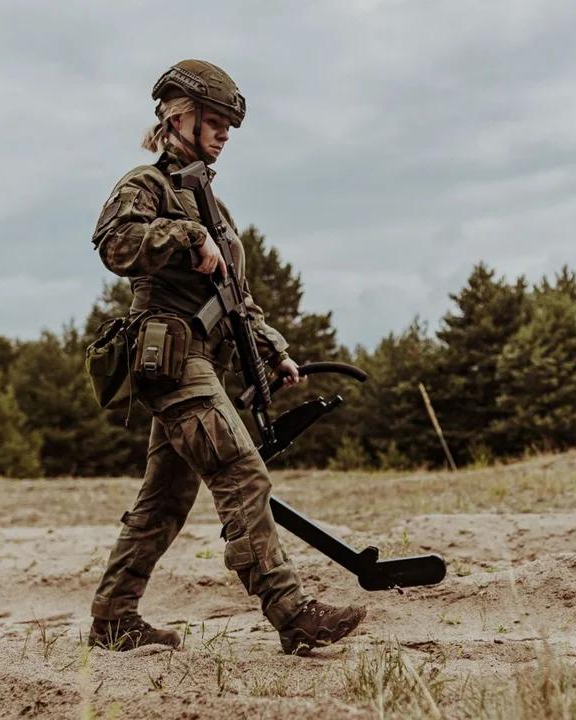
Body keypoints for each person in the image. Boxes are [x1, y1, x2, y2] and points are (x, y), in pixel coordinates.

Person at [87, 59, 365, 654]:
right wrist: (185, 237)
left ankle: (113, 619)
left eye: (228, 127)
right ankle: (293, 614)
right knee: (241, 473)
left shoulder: (210, 202)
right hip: (171, 360)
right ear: (176, 115)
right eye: (213, 122)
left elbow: (235, 298)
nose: (222, 135)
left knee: (164, 501)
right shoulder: (148, 186)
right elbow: (113, 244)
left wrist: (274, 351)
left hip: (201, 363)